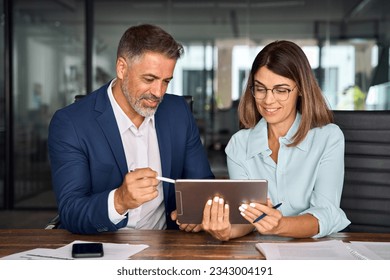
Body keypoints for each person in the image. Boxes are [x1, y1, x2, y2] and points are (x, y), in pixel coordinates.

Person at [48, 24, 214, 234]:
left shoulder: (178, 112)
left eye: (166, 82)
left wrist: (199, 213)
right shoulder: (71, 123)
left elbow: (202, 185)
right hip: (104, 247)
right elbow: (71, 211)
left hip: (167, 246)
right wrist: (119, 201)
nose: (158, 92)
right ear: (122, 68)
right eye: (149, 79)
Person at [200, 40, 350, 240]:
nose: (268, 101)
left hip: (315, 251)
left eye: (281, 90)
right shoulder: (239, 144)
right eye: (260, 89)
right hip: (262, 253)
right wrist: (227, 231)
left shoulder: (328, 137)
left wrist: (281, 225)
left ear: (301, 89)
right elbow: (247, 219)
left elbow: (327, 212)